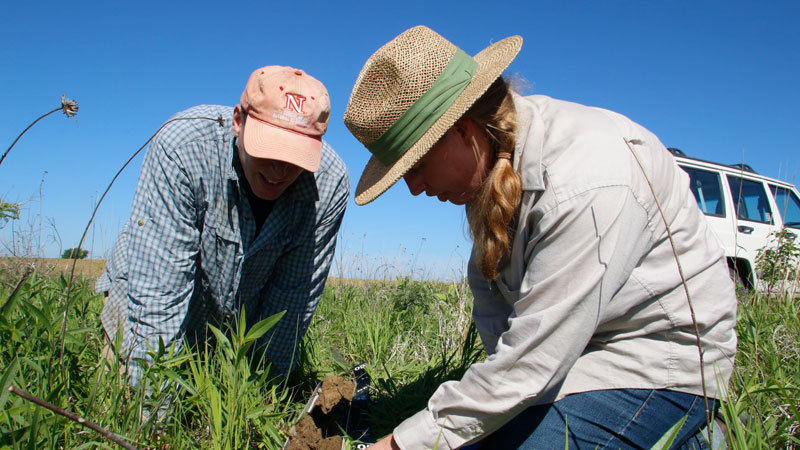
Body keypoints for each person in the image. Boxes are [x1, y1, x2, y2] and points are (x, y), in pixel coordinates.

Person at [343, 26, 737, 450]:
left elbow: (532, 362)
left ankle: (698, 438)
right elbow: (507, 338)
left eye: (416, 166)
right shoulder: (494, 173)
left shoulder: (587, 179)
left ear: (462, 129)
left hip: (658, 362)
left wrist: (396, 446)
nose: (414, 188)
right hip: (572, 355)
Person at [97, 65, 350, 383]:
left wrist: (262, 402)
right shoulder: (184, 147)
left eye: (295, 155)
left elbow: (290, 305)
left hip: (225, 335)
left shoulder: (328, 184)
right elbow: (157, 296)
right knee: (125, 408)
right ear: (238, 121)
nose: (278, 168)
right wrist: (153, 419)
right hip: (143, 312)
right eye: (269, 146)